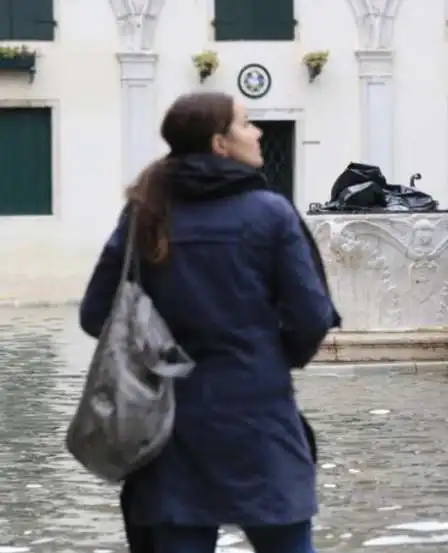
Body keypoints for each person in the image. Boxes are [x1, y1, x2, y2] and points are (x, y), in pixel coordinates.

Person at [79, 91, 337, 553]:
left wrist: (155, 353)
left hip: (168, 429)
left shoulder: (146, 211)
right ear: (220, 143)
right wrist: (271, 360)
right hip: (259, 419)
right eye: (246, 123)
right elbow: (312, 317)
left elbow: (95, 314)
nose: (257, 132)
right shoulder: (271, 212)